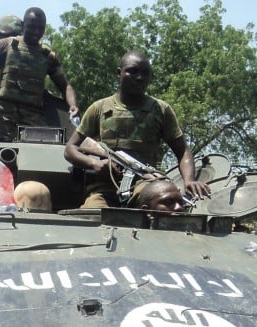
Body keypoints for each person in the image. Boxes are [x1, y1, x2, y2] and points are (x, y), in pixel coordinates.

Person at [64, 50, 210, 208]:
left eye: (145, 73)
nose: (139, 78)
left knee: (164, 206)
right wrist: (94, 164)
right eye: (132, 71)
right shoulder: (99, 108)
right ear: (119, 73)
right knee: (91, 213)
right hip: (105, 187)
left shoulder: (160, 110)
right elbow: (71, 149)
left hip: (145, 182)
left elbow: (182, 150)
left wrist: (189, 180)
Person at [0, 7, 78, 141]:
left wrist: (73, 105)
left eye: (40, 28)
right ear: (23, 25)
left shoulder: (47, 56)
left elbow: (65, 86)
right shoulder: (5, 45)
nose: (36, 32)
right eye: (32, 27)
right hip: (5, 113)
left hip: (33, 116)